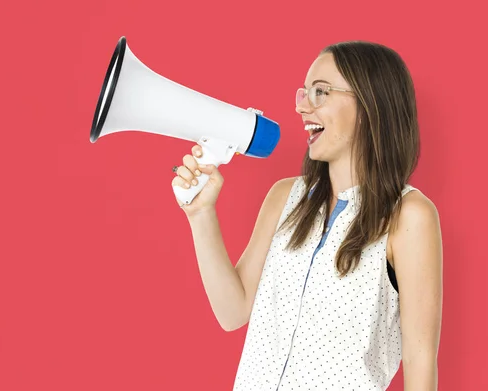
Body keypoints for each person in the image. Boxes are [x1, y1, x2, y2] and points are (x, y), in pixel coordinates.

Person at [171, 41, 443, 391]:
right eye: (303, 93)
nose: (302, 107)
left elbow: (421, 367)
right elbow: (233, 311)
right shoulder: (285, 197)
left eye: (320, 92)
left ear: (370, 104)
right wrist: (201, 213)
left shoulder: (408, 216)